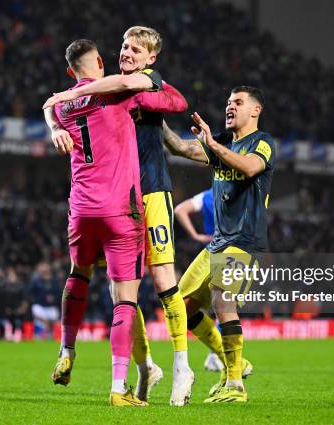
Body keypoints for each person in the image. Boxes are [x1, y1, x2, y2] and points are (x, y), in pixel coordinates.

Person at [43, 27, 194, 406]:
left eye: (136, 48)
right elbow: (170, 106)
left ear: (150, 58)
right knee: (121, 293)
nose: (126, 51)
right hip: (122, 202)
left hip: (149, 190)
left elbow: (175, 104)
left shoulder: (129, 87)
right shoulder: (117, 91)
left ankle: (182, 365)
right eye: (124, 45)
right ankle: (141, 370)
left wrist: (64, 106)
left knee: (161, 279)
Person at [162, 86, 276, 403]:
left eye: (238, 103)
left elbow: (251, 167)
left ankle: (236, 385)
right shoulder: (223, 143)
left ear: (255, 110)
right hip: (218, 241)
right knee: (181, 305)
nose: (230, 107)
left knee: (222, 298)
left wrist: (212, 144)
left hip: (245, 240)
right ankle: (234, 363)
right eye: (228, 102)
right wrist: (155, 118)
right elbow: (181, 148)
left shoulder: (262, 142)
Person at [175, 188, 225, 373]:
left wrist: (195, 235)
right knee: (225, 308)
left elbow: (180, 209)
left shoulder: (207, 196)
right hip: (230, 252)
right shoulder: (237, 192)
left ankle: (217, 355)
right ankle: (219, 357)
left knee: (206, 307)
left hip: (208, 254)